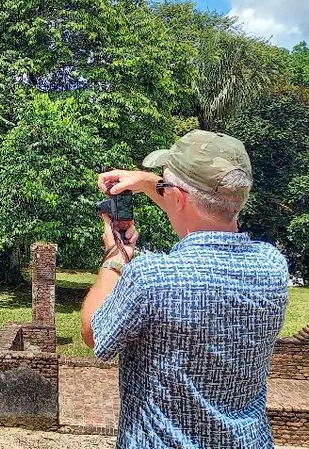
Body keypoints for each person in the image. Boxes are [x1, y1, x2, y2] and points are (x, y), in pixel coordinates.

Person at [80, 130, 289, 449]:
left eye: (165, 186)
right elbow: (203, 206)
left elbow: (94, 333)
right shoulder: (272, 265)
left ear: (176, 197)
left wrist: (115, 257)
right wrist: (149, 181)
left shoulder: (152, 276)